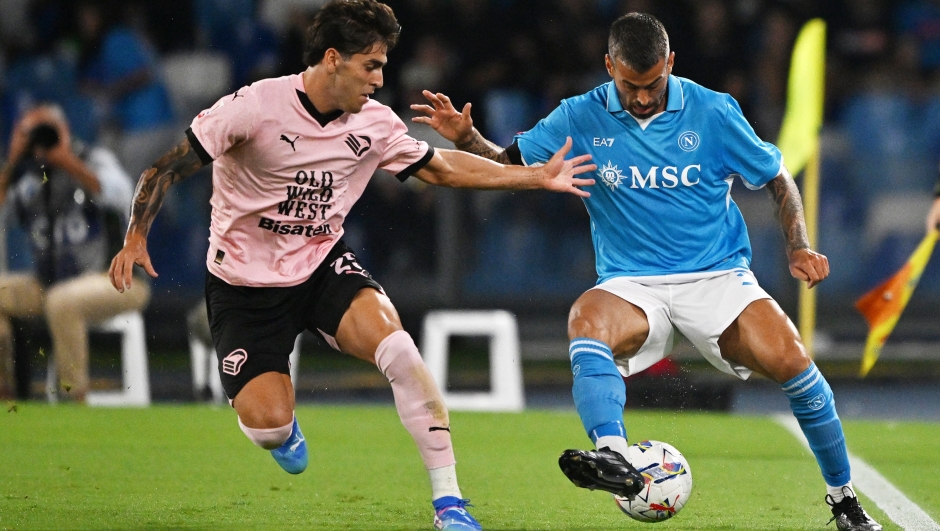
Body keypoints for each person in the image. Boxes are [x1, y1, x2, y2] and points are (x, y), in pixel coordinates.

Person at [107, 2, 594, 530]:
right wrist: (135, 236)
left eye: (383, 65)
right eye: (371, 65)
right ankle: (280, 428)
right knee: (269, 426)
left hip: (321, 265)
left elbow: (441, 168)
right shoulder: (252, 107)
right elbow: (165, 168)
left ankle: (450, 505)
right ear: (333, 59)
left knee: (401, 351)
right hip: (244, 285)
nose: (381, 79)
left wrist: (532, 178)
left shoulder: (375, 123)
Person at [412, 12, 882, 531]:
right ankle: (612, 454)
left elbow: (776, 178)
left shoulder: (713, 111)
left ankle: (845, 502)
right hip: (631, 283)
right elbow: (509, 164)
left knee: (795, 361)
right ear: (609, 65)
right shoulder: (578, 115)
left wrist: (799, 245)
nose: (640, 97)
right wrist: (467, 136)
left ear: (671, 63)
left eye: (653, 83)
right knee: (585, 319)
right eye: (629, 85)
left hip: (717, 277)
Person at [0, 104, 148, 402]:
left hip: (116, 280)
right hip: (49, 283)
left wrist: (67, 161)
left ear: (65, 130)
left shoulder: (93, 159)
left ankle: (73, 399)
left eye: (48, 130)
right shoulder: (30, 177)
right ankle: (6, 393)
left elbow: (122, 195)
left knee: (62, 300)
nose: (42, 140)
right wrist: (14, 158)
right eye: (33, 133)